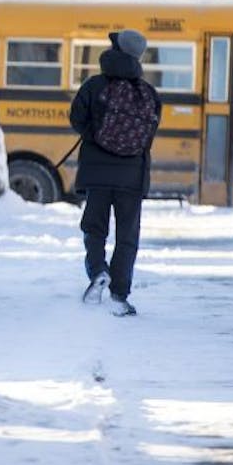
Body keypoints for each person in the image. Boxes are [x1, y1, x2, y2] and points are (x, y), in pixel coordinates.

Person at [69, 29, 162, 316]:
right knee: (127, 235)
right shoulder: (148, 94)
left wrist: (94, 136)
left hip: (97, 173)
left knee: (94, 228)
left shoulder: (94, 86)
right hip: (132, 177)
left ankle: (98, 270)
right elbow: (148, 136)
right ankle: (120, 294)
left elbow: (76, 118)